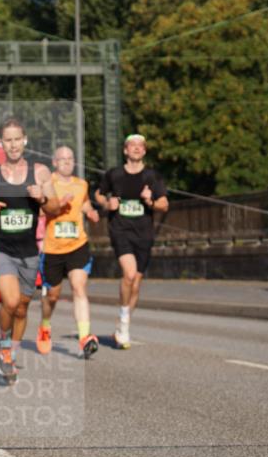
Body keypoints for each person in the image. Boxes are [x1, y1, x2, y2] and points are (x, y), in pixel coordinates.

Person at [0, 118, 60, 382]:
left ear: (25, 140)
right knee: (9, 301)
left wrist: (41, 198)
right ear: (1, 143)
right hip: (0, 249)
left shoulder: (40, 173)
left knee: (21, 308)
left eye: (17, 139)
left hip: (29, 252)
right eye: (8, 140)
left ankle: (12, 351)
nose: (13, 145)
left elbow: (54, 209)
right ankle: (4, 345)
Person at [94, 134, 169, 349]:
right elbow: (98, 194)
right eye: (132, 145)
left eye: (140, 146)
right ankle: (125, 326)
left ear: (144, 151)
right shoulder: (114, 174)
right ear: (125, 150)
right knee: (128, 273)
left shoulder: (152, 176)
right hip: (120, 230)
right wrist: (108, 203)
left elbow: (164, 204)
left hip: (144, 234)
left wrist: (149, 200)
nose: (136, 148)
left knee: (135, 283)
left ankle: (121, 324)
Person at [37, 146, 100, 359]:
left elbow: (84, 203)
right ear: (54, 162)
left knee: (78, 286)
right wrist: (56, 206)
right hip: (53, 248)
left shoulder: (81, 184)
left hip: (77, 245)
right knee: (52, 296)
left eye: (70, 158)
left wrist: (90, 212)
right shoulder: (48, 184)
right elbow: (40, 210)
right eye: (62, 159)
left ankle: (84, 337)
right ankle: (45, 325)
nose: (66, 162)